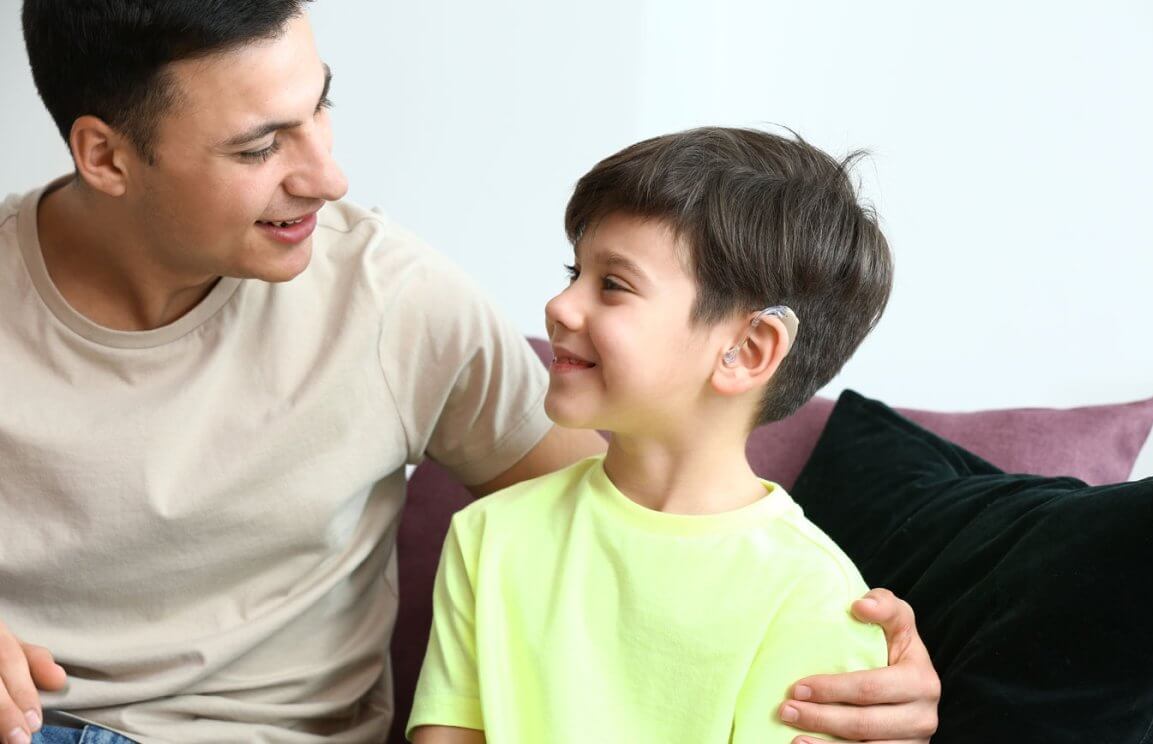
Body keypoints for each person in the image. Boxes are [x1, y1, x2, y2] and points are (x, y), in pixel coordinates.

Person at [0, 2, 940, 743]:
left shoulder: (395, 303)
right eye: (260, 146)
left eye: (322, 103)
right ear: (105, 154)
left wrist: (861, 656)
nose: (329, 175)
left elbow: (639, 507)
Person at [407, 127, 900, 743]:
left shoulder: (813, 596)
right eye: (574, 271)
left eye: (613, 284)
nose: (560, 305)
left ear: (747, 350)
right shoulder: (489, 536)